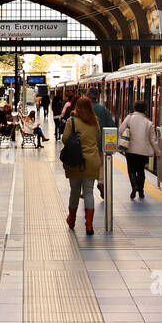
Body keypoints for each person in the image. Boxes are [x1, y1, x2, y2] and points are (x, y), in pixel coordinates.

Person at [60, 95, 102, 235]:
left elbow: (65, 139)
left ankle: (71, 220)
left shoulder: (71, 121)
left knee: (75, 191)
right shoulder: (95, 121)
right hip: (91, 161)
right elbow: (96, 139)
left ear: (76, 106)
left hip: (75, 161)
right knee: (89, 192)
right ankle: (89, 225)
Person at [118, 102, 156, 200]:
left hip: (130, 150)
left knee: (131, 169)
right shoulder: (148, 122)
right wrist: (158, 152)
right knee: (141, 171)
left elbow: (120, 130)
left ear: (134, 108)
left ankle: (134, 186)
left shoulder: (129, 118)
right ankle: (141, 191)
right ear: (145, 110)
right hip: (143, 151)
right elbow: (153, 139)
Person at [93, 99, 116, 200]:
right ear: (97, 98)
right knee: (101, 165)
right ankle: (101, 182)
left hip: (86, 145)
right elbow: (112, 126)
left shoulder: (82, 109)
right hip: (100, 143)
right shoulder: (104, 109)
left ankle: (86, 189)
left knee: (87, 166)